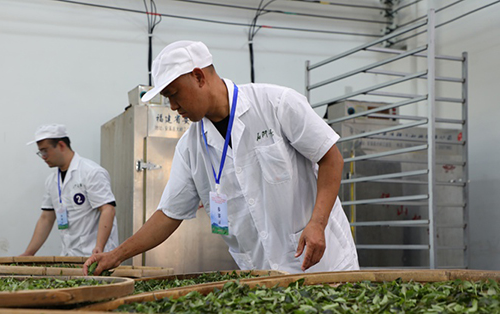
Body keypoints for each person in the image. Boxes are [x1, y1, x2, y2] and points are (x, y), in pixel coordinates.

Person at [84, 40, 358, 275]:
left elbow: (331, 159)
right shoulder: (190, 147)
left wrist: (317, 223)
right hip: (263, 277)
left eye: (174, 94)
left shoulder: (276, 104)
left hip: (322, 265)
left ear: (198, 77)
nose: (173, 106)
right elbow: (168, 215)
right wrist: (116, 255)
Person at [21, 124, 119, 257]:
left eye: (45, 151)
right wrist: (28, 253)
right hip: (69, 256)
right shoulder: (52, 180)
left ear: (61, 145)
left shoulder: (91, 172)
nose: (43, 156)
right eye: (41, 152)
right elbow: (46, 218)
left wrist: (99, 247)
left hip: (96, 255)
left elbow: (108, 210)